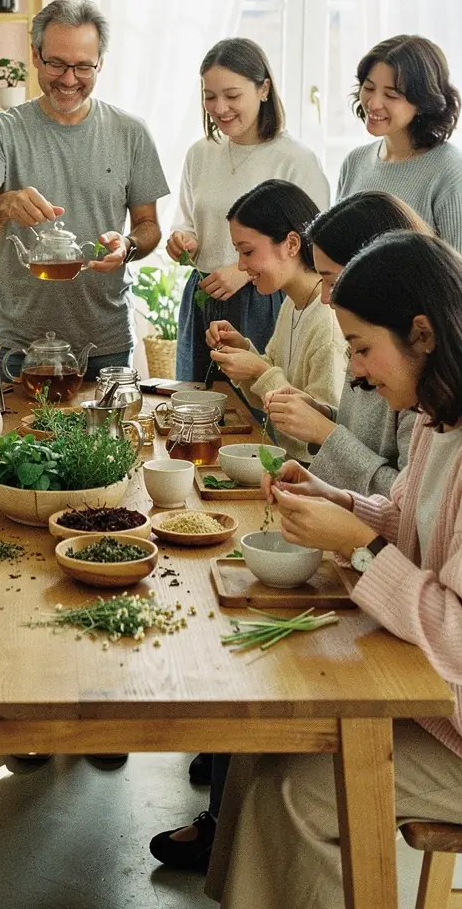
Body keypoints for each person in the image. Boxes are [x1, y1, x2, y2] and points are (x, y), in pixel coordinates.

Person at [150, 192, 428, 873]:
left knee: (273, 733)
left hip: (428, 680)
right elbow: (399, 506)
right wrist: (337, 501)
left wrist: (354, 530)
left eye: (335, 279)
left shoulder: (422, 402)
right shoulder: (430, 412)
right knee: (253, 728)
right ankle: (226, 840)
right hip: (380, 591)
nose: (353, 361)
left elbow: (393, 501)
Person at [206, 231, 462, 909]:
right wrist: (338, 501)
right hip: (442, 703)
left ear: (423, 334)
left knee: (294, 792)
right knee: (258, 741)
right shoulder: (440, 423)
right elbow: (408, 521)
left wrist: (358, 547)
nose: (354, 371)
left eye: (360, 346)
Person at [0, 0, 170, 380]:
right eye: (56, 63)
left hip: (105, 343)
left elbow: (148, 226)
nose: (69, 79)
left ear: (100, 63)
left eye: (83, 66)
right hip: (19, 344)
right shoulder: (3, 130)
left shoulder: (131, 133)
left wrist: (128, 246)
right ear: (36, 55)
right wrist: (5, 204)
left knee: (106, 441)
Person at [170, 39, 329, 382]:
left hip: (266, 298)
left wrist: (242, 272)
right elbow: (187, 223)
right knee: (195, 404)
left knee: (260, 408)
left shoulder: (295, 159)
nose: (219, 107)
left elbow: (313, 246)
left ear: (263, 89)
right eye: (209, 96)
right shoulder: (200, 153)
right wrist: (184, 240)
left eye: (232, 95)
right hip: (203, 294)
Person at [266, 192, 429, 492]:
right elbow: (370, 436)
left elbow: (408, 504)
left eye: (333, 280)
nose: (326, 297)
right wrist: (324, 415)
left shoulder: (419, 370)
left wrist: (326, 434)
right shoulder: (367, 339)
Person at [205, 180, 346, 461]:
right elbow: (267, 394)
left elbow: (321, 437)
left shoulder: (328, 320)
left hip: (310, 475)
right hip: (286, 463)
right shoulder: (292, 304)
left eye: (248, 252)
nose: (242, 266)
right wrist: (245, 353)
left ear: (291, 243)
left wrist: (258, 371)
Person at [336, 34, 462, 248]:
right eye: (368, 88)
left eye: (391, 95)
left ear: (423, 103)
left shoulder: (449, 171)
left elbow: (456, 273)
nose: (373, 103)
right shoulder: (355, 162)